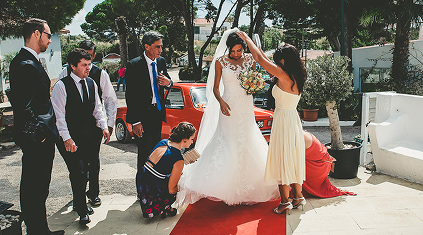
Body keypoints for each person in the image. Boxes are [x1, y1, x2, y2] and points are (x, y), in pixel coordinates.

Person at [175, 29, 279, 207]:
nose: (236, 54)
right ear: (228, 48)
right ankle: (222, 186)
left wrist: (254, 87)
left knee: (247, 139)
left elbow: (255, 78)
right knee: (228, 141)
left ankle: (249, 188)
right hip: (228, 106)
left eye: (239, 50)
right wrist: (221, 102)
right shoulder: (220, 62)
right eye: (233, 51)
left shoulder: (250, 59)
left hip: (245, 105)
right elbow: (215, 88)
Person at [8, 18, 75, 235]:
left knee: (33, 187)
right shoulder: (26, 64)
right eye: (48, 35)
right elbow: (23, 107)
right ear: (36, 34)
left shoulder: (26, 60)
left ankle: (37, 232)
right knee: (36, 189)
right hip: (37, 139)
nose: (50, 40)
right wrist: (41, 136)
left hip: (38, 137)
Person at [238, 31, 307, 214]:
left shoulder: (282, 73)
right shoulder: (297, 75)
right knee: (293, 157)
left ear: (284, 61)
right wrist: (257, 45)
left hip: (283, 120)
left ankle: (285, 202)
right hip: (293, 120)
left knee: (282, 158)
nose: (277, 63)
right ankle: (298, 196)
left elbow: (260, 60)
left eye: (279, 60)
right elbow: (263, 57)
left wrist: (247, 40)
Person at [52, 48, 111, 226]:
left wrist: (103, 126)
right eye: (84, 64)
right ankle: (82, 209)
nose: (88, 68)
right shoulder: (61, 86)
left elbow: (97, 108)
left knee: (87, 169)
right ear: (72, 66)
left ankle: (81, 203)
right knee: (78, 172)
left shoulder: (91, 82)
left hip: (89, 135)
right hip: (70, 137)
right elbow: (58, 116)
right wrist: (67, 138)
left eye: (89, 64)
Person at [125, 31, 173, 176]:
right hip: (142, 117)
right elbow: (130, 96)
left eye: (161, 46)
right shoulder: (134, 65)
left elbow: (168, 82)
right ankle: (142, 187)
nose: (160, 50)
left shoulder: (161, 61)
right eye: (157, 47)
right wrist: (136, 121)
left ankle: (153, 185)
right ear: (147, 46)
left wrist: (168, 82)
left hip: (157, 114)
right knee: (144, 154)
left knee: (156, 153)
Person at [137, 122, 196, 219]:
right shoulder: (178, 159)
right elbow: (171, 189)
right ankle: (165, 206)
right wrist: (184, 190)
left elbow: (165, 159)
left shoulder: (164, 142)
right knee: (181, 184)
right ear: (185, 139)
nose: (192, 142)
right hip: (152, 190)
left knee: (175, 176)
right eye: (192, 139)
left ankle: (162, 205)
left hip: (142, 180)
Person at [302, 131, 356, 198]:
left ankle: (297, 195)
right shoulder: (301, 133)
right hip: (323, 164)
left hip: (319, 167)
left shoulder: (300, 136)